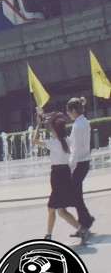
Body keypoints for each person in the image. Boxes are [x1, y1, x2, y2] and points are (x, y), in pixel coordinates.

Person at [33, 112, 83, 241]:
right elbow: (52, 129)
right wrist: (44, 119)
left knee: (53, 208)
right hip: (63, 174)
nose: (50, 130)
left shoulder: (55, 143)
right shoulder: (65, 140)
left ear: (55, 130)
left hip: (58, 176)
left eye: (52, 129)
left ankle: (49, 235)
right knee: (60, 210)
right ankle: (80, 230)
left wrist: (38, 124)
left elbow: (35, 140)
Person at [67, 97, 96, 240]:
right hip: (85, 161)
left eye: (68, 111)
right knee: (76, 193)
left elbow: (76, 149)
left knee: (75, 194)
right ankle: (85, 219)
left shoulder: (77, 126)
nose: (68, 114)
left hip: (79, 163)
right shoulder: (84, 122)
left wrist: (70, 166)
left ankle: (86, 221)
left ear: (73, 110)